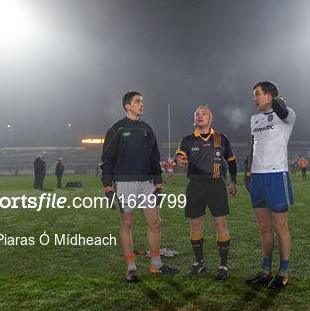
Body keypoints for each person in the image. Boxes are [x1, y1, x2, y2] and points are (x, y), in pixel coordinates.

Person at [101, 91, 179, 283]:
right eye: (137, 102)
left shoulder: (147, 129)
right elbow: (108, 158)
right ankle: (131, 268)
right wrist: (107, 186)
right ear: (127, 106)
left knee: (155, 222)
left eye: (142, 101)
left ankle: (156, 264)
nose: (141, 104)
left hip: (146, 183)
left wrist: (158, 181)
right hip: (124, 182)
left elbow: (154, 157)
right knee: (127, 224)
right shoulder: (117, 128)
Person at [176, 106, 237, 281]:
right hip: (195, 185)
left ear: (211, 118)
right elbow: (180, 155)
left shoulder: (221, 138)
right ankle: (199, 262)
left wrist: (233, 181)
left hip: (216, 184)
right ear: (194, 120)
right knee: (196, 225)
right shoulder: (188, 139)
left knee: (220, 224)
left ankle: (223, 265)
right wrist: (180, 159)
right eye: (197, 114)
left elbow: (231, 160)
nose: (200, 116)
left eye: (203, 113)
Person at [246, 81, 296, 290]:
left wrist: (277, 99)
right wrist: (248, 172)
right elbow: (253, 146)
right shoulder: (255, 119)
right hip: (257, 177)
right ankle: (265, 271)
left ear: (269, 96)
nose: (254, 98)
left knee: (280, 228)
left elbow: (281, 107)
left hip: (276, 176)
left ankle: (283, 273)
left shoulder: (287, 115)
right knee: (264, 228)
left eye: (257, 94)